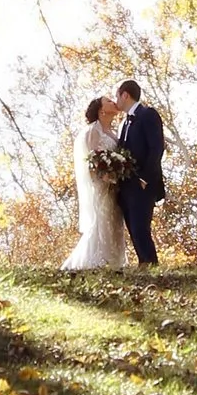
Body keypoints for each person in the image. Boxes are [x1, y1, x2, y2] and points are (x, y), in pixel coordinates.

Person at [64, 94, 132, 270]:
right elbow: (91, 159)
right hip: (101, 185)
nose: (113, 102)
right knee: (102, 219)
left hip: (116, 185)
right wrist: (105, 176)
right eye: (108, 101)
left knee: (115, 220)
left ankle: (115, 262)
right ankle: (95, 261)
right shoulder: (93, 130)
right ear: (102, 110)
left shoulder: (115, 132)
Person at [112, 77, 166, 268]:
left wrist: (144, 178)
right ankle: (145, 264)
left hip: (143, 184)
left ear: (125, 95)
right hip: (125, 186)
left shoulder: (148, 115)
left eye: (116, 96)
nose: (115, 100)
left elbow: (156, 148)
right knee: (133, 229)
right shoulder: (123, 123)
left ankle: (151, 265)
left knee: (140, 227)